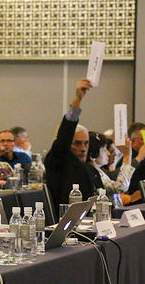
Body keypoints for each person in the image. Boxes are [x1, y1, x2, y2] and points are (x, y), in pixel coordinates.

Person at [45, 79, 101, 217]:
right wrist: (77, 100)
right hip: (63, 223)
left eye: (86, 143)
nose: (83, 148)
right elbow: (65, 136)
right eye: (77, 143)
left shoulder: (90, 169)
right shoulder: (58, 160)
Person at [87, 132, 145, 197]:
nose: (108, 153)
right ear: (93, 154)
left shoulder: (100, 171)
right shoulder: (91, 174)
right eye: (104, 149)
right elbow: (120, 187)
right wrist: (127, 156)